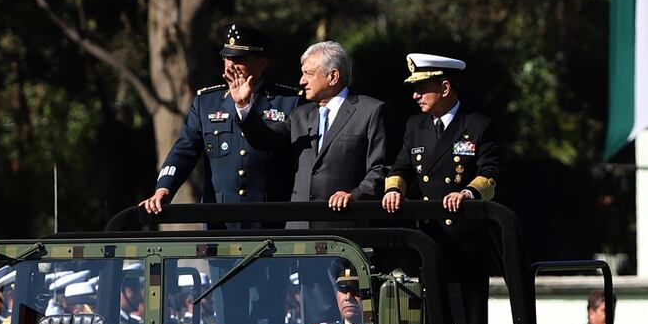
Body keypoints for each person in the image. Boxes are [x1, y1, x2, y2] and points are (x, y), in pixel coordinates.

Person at [139, 23, 300, 216]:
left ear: (262, 63)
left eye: (239, 58)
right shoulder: (206, 103)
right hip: (220, 217)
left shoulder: (290, 102)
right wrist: (164, 188)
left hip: (271, 216)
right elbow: (184, 150)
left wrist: (244, 106)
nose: (230, 64)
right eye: (226, 57)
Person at [237, 40, 388, 217]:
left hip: (343, 222)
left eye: (308, 74)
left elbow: (380, 168)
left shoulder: (370, 111)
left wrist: (355, 195)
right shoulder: (300, 115)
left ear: (333, 76)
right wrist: (244, 106)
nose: (302, 81)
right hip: (300, 223)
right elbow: (265, 139)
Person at [382, 54, 499, 213]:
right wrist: (393, 191)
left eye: (421, 88)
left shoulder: (478, 125)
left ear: (445, 88)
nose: (415, 95)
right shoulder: (415, 125)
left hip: (463, 222)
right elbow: (401, 168)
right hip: (427, 227)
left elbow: (490, 171)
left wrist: (468, 194)